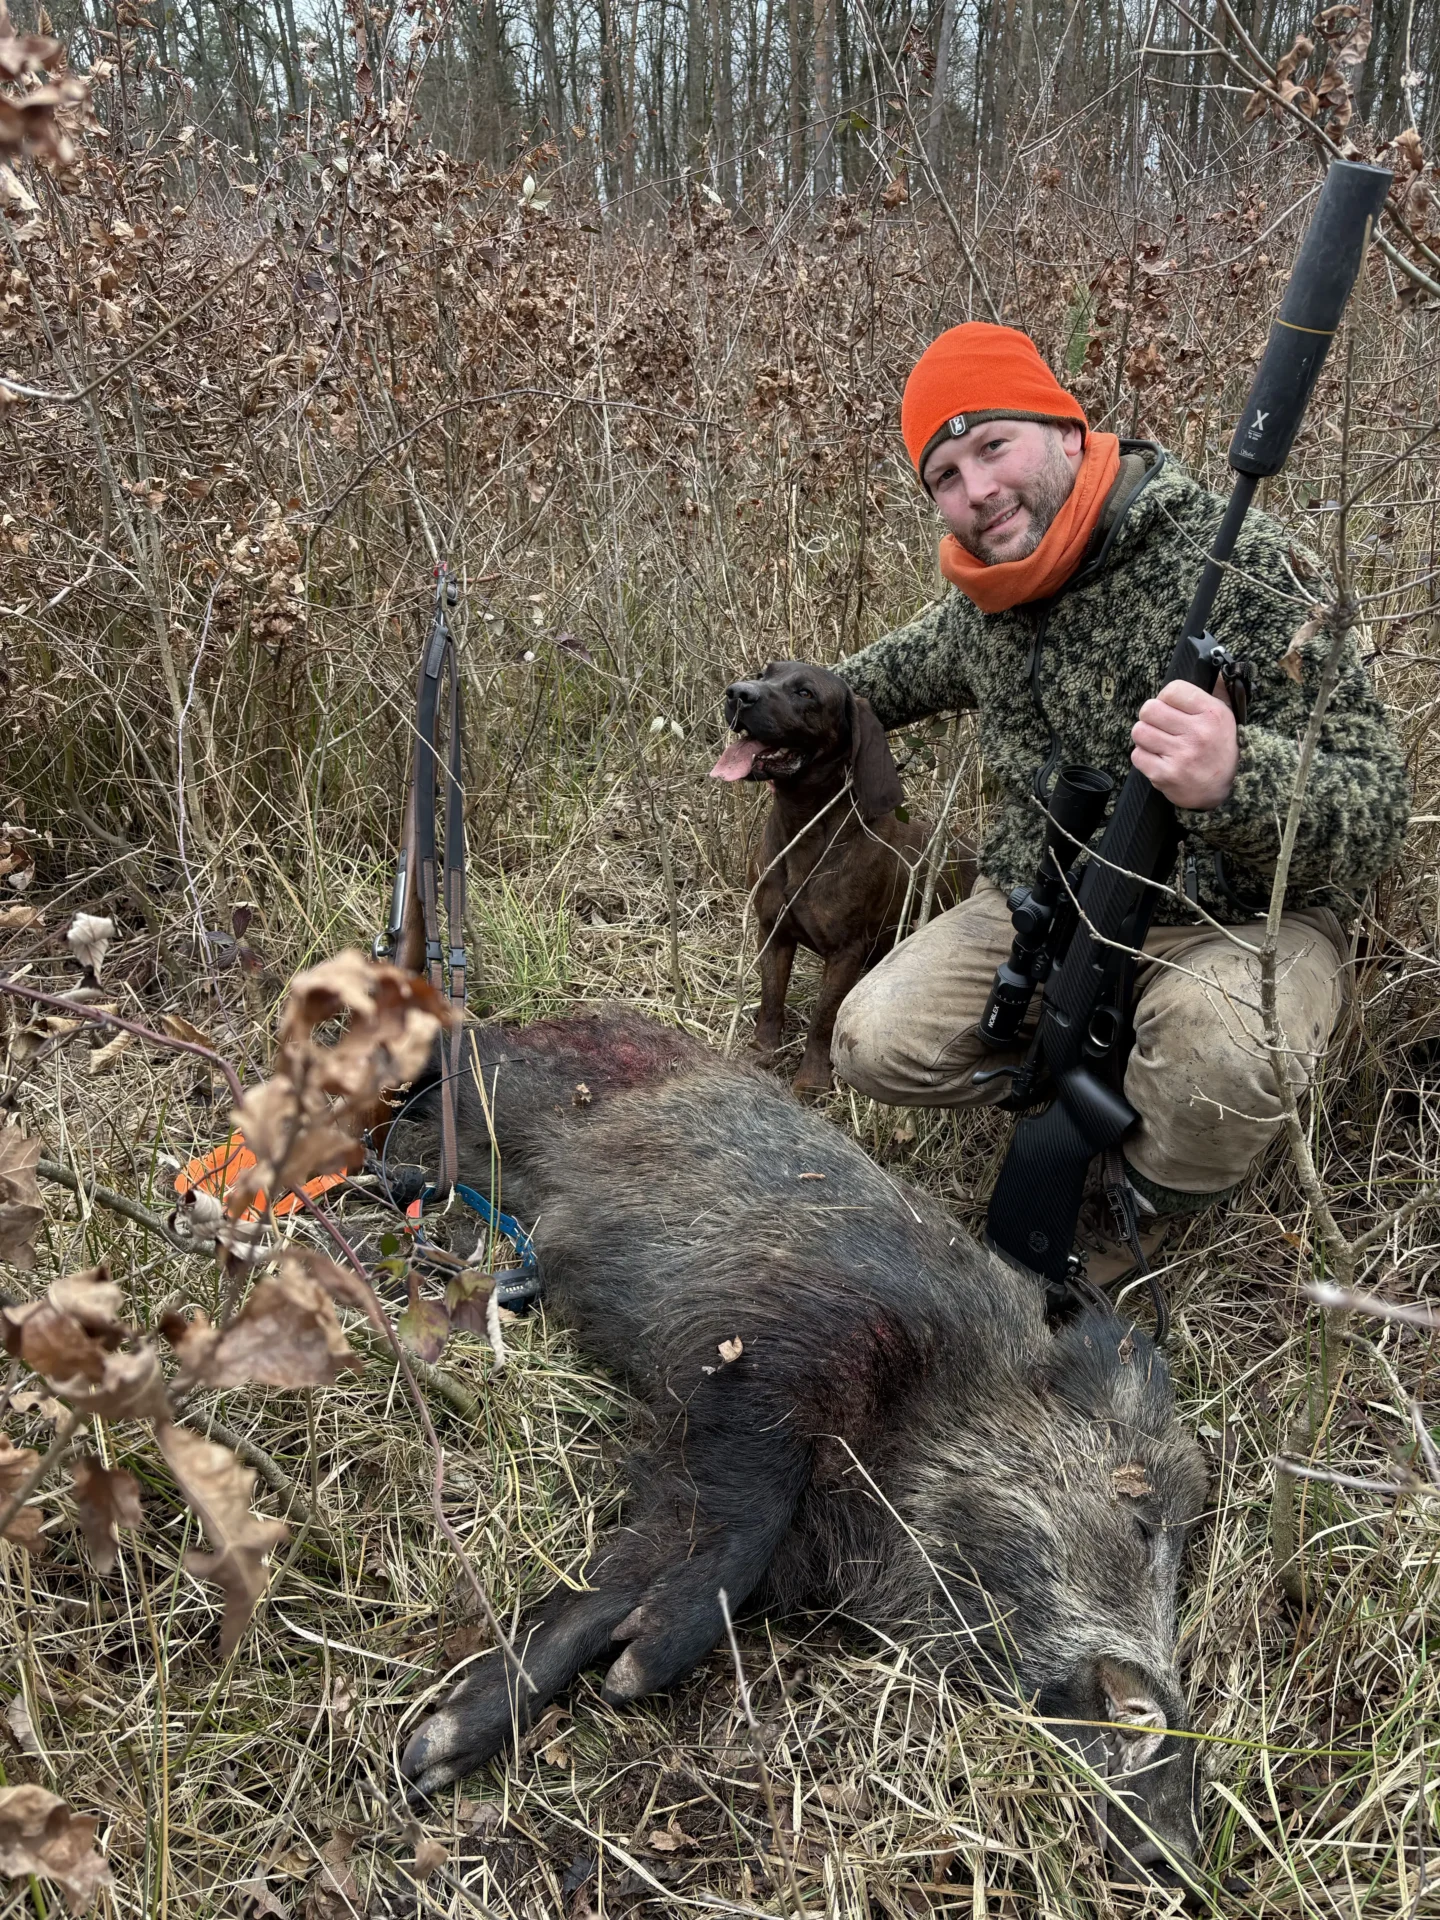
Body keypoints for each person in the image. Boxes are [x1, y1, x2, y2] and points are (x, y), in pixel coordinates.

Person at [832, 322, 1409, 1275]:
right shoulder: (989, 597)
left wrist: (1237, 780)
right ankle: (1076, 1079)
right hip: (1043, 909)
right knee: (871, 1041)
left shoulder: (1243, 567)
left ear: (1067, 431)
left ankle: (1135, 1201)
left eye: (993, 446)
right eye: (945, 474)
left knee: (1227, 1057)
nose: (977, 491)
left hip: (1232, 922)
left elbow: (1378, 807)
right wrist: (773, 708)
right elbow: (874, 682)